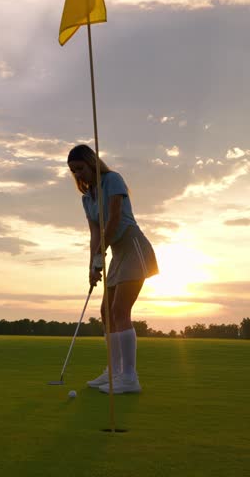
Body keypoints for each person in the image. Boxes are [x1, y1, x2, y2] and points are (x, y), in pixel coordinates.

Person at [67, 144, 158, 394]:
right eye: (73, 171)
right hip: (117, 251)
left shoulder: (112, 179)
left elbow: (115, 218)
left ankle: (129, 377)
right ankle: (114, 371)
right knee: (106, 311)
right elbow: (95, 233)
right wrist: (92, 265)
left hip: (133, 246)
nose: (78, 174)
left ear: (91, 163)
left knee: (120, 310)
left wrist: (100, 253)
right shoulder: (88, 198)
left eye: (80, 168)